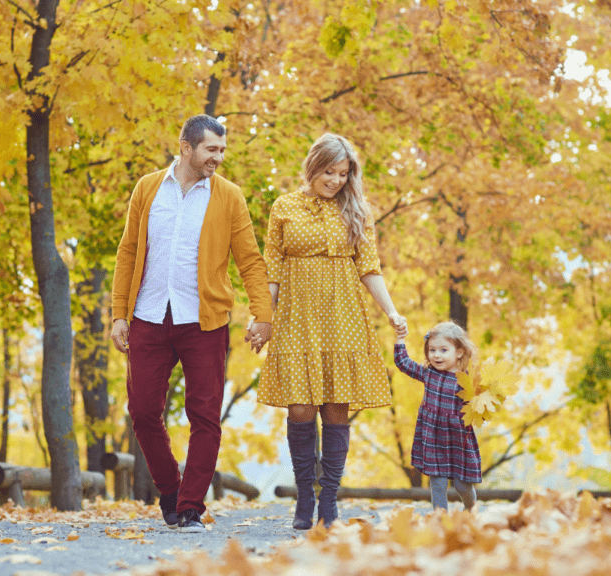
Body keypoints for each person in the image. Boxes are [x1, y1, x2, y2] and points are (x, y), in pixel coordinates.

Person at [109, 115, 273, 534]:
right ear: (186, 147)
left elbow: (250, 260)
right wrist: (118, 314)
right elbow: (128, 252)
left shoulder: (229, 197)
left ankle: (190, 508)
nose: (218, 157)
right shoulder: (147, 188)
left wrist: (263, 315)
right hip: (148, 316)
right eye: (211, 150)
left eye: (221, 150)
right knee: (143, 412)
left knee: (204, 417)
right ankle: (169, 489)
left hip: (204, 321)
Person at [257, 133, 408, 529]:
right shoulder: (284, 207)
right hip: (296, 318)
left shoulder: (356, 210)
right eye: (329, 171)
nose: (336, 180)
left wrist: (391, 311)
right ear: (313, 166)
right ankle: (304, 495)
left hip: (344, 317)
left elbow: (370, 267)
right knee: (300, 406)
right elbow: (271, 269)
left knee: (336, 407)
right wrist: (263, 318)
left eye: (343, 174)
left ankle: (329, 501)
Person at [393, 321, 481, 512]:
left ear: (458, 352)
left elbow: (480, 404)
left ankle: (472, 509)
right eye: (432, 350)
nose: (436, 355)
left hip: (458, 439)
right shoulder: (428, 374)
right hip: (434, 437)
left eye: (443, 350)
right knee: (438, 484)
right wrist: (400, 338)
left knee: (461, 486)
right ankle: (440, 521)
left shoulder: (466, 380)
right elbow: (403, 363)